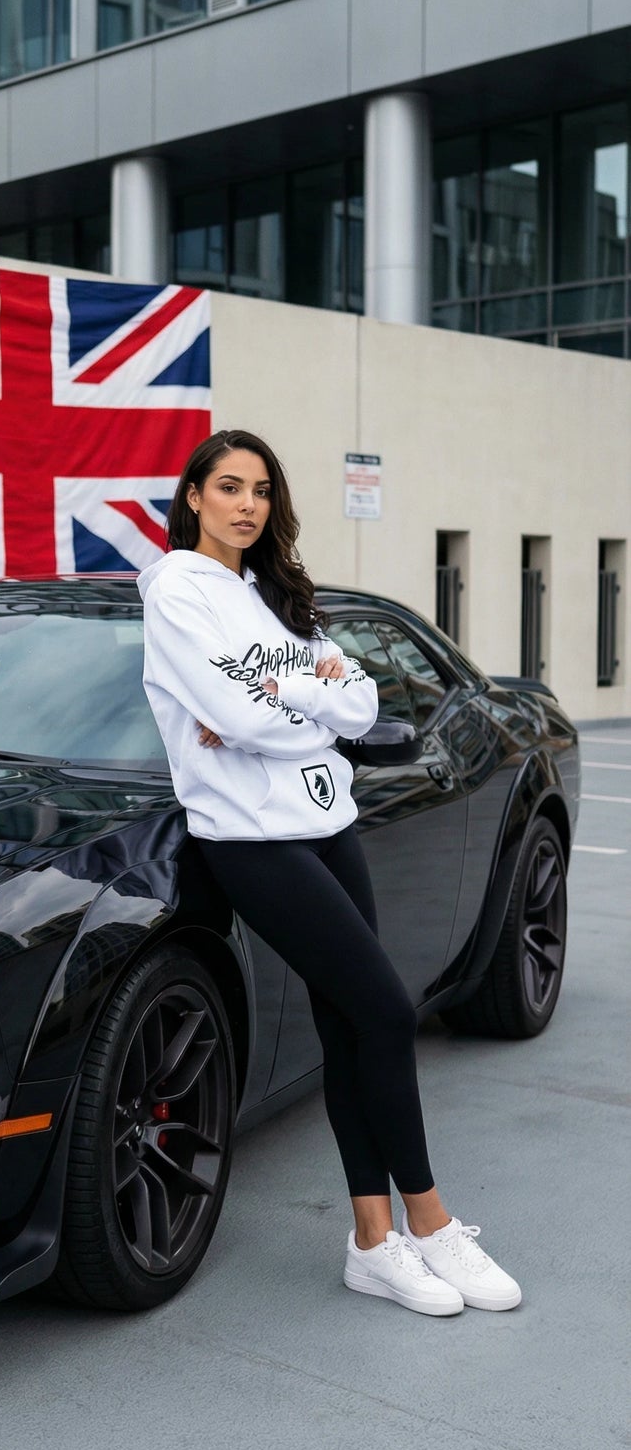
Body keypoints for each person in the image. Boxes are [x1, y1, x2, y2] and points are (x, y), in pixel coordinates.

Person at [138, 429, 520, 1319]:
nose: (245, 504)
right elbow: (241, 712)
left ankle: (371, 1244)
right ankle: (430, 1223)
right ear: (192, 495)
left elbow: (356, 703)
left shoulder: (270, 593)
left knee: (350, 1022)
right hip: (249, 838)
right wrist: (296, 701)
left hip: (326, 818)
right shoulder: (175, 593)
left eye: (260, 490)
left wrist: (287, 705)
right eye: (226, 487)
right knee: (387, 1008)